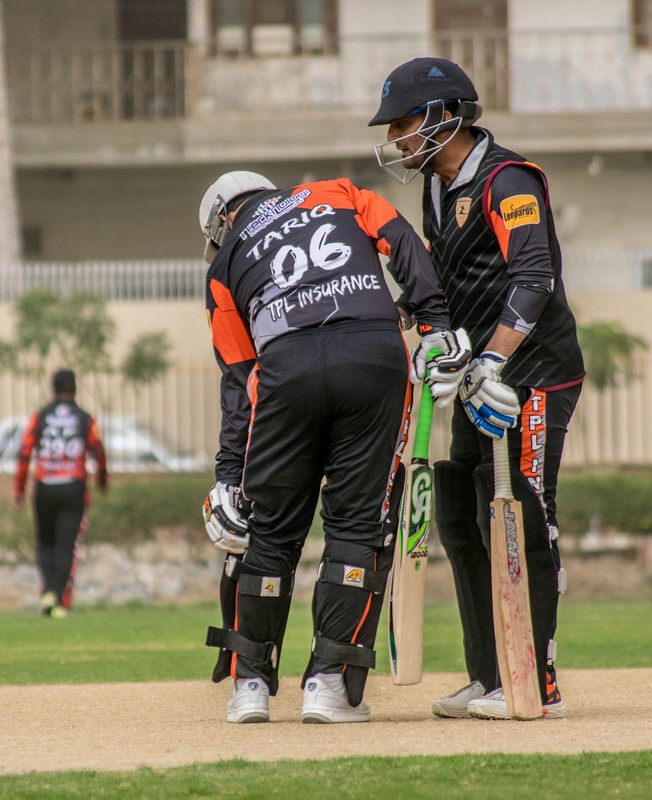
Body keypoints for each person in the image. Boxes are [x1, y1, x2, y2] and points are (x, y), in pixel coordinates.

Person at [198, 170, 463, 723]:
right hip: (372, 355)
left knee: (268, 532)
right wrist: (434, 322)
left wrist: (227, 475)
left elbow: (240, 380)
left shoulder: (223, 267)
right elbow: (402, 240)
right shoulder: (336, 192)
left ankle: (249, 686)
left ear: (223, 220)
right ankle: (328, 685)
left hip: (285, 368)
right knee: (355, 527)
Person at [368, 57, 586, 720]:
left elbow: (534, 278)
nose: (396, 138)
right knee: (461, 518)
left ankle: (537, 681)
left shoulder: (507, 179)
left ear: (443, 116)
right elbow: (444, 281)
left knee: (526, 516)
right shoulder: (438, 187)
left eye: (402, 124)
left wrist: (493, 359)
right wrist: (414, 326)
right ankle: (489, 675)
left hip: (533, 373)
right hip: (475, 378)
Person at [13, 368, 108, 618]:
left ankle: (48, 592)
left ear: (53, 388)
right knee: (66, 545)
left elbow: (24, 452)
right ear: (74, 388)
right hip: (73, 486)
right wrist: (102, 481)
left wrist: (19, 489)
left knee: (45, 541)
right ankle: (57, 596)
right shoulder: (85, 418)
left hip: (44, 486)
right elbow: (99, 452)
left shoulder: (39, 417)